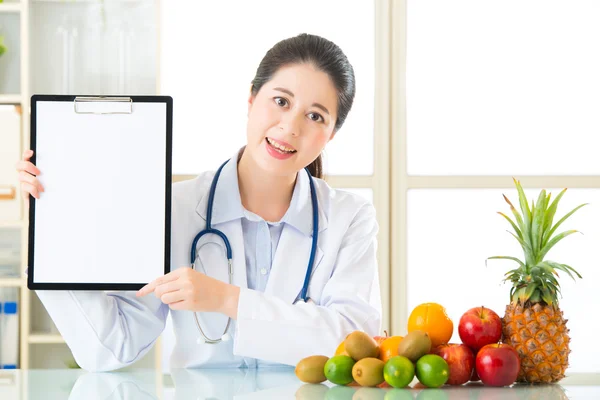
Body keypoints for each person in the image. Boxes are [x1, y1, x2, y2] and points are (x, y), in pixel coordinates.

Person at [15, 33, 382, 372]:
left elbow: (356, 343)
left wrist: (227, 299)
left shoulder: (350, 218)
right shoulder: (174, 208)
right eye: (281, 101)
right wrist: (50, 229)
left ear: (331, 133)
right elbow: (111, 347)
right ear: (252, 98)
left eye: (315, 115)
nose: (290, 126)